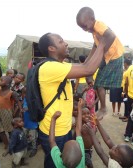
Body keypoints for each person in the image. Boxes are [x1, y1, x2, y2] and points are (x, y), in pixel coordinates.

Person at [37, 32, 105, 168]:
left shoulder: (58, 66)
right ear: (51, 48)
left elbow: (85, 64)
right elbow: (88, 69)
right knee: (55, 164)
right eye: (61, 41)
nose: (66, 43)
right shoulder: (51, 67)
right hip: (56, 131)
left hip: (63, 127)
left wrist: (96, 45)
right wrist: (103, 43)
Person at [76, 7, 124, 119]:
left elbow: (111, 36)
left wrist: (101, 54)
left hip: (114, 57)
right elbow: (95, 46)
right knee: (95, 78)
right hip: (108, 57)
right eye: (81, 27)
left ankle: (103, 108)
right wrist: (87, 60)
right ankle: (90, 79)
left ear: (92, 19)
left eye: (84, 25)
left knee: (100, 84)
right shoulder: (93, 31)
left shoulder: (98, 25)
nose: (84, 29)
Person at [49, 99, 85, 168]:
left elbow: (52, 141)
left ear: (61, 155)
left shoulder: (59, 163)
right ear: (82, 155)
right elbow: (78, 130)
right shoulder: (81, 161)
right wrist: (79, 108)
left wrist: (53, 119)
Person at [0, 76, 21, 154]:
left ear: (7, 83)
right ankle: (7, 145)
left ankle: (13, 145)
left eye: (1, 80)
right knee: (0, 129)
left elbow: (18, 102)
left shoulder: (11, 93)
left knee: (10, 130)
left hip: (7, 113)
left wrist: (19, 111)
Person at [22, 87, 38, 158]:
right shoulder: (25, 99)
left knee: (33, 137)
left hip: (32, 123)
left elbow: (36, 109)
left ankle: (34, 148)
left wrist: (27, 108)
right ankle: (29, 146)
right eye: (24, 93)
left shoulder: (34, 101)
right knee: (26, 135)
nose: (24, 95)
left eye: (26, 93)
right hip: (26, 122)